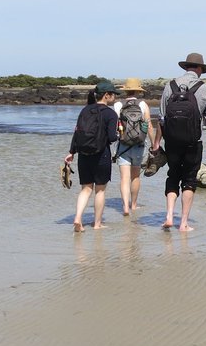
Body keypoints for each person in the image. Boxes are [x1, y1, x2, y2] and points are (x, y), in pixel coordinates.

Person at [156, 52, 206, 232]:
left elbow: (161, 119)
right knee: (189, 180)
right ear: (200, 69)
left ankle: (169, 216)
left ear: (185, 67)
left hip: (172, 141)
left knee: (173, 176)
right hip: (193, 142)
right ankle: (183, 223)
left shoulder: (170, 86)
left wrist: (157, 143)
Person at [64, 80, 121, 232]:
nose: (115, 97)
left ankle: (78, 218)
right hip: (102, 155)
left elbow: (77, 132)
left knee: (86, 189)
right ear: (106, 95)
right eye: (113, 94)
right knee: (100, 191)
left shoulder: (85, 110)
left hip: (83, 155)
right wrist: (118, 134)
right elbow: (112, 137)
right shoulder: (111, 114)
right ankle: (97, 224)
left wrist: (71, 152)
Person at [112, 77, 155, 217]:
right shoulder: (143, 104)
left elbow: (114, 126)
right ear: (138, 91)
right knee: (135, 177)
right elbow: (148, 125)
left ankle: (125, 207)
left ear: (126, 90)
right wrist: (154, 144)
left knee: (124, 178)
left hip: (122, 145)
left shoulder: (117, 105)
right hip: (139, 145)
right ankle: (134, 205)